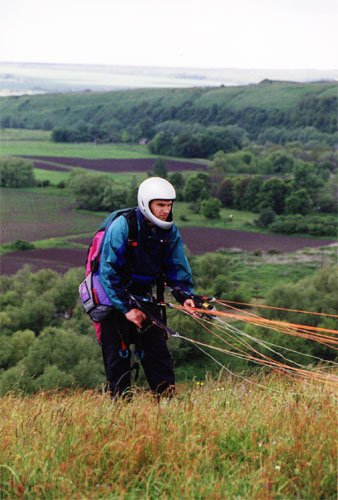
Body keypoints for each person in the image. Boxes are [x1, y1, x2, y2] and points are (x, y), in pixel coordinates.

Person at [97, 177, 195, 397]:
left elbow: (176, 265)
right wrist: (126, 309)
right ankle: (121, 410)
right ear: (146, 204)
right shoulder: (124, 226)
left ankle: (166, 404)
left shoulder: (169, 231)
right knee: (118, 357)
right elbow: (108, 270)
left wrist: (185, 295)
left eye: (169, 205)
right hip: (113, 298)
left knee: (157, 353)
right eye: (160, 205)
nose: (165, 210)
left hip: (143, 296)